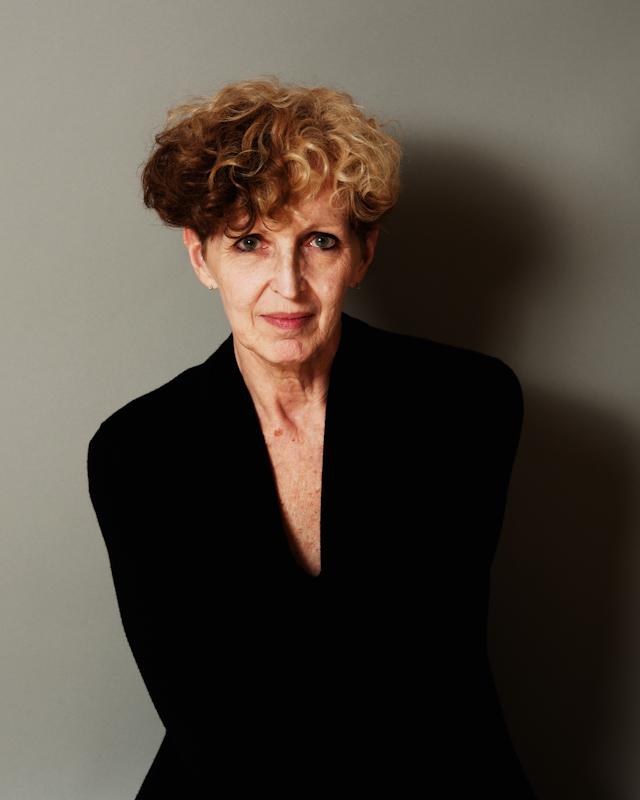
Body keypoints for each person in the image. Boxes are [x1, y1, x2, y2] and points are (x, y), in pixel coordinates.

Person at [87, 75, 536, 797]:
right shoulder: (138, 451)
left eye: (319, 242)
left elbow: (428, 678)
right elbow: (205, 714)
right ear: (201, 258)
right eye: (250, 243)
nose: (289, 285)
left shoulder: (468, 406)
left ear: (362, 252)